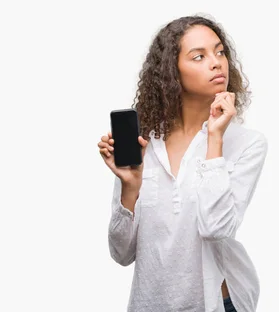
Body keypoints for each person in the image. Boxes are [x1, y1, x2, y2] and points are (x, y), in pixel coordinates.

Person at [96, 14, 268, 312]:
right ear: (171, 73)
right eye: (198, 56)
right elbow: (122, 254)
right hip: (149, 303)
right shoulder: (143, 144)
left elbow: (216, 228)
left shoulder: (247, 144)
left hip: (215, 302)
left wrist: (215, 139)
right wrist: (129, 187)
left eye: (220, 52)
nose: (217, 63)